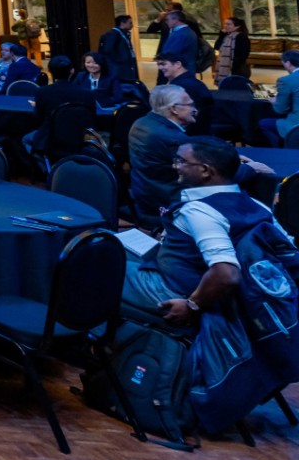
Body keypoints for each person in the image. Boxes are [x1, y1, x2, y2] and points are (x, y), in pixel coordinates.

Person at [121, 140, 289, 332]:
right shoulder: (258, 206)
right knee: (121, 249)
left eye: (182, 161)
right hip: (216, 286)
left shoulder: (199, 212)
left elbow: (226, 274)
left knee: (98, 261)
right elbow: (287, 248)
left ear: (205, 171)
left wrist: (192, 305)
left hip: (177, 290)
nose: (175, 166)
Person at [127, 85, 197, 228]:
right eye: (190, 104)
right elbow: (201, 174)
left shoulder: (142, 123)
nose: (194, 109)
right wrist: (249, 169)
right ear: (174, 109)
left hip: (144, 194)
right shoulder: (172, 138)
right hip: (167, 201)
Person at [156, 51, 214, 133]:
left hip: (190, 135)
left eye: (163, 64)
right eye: (158, 65)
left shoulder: (182, 87)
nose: (160, 68)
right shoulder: (191, 83)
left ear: (178, 64)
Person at [155, 9, 199, 84]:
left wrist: (161, 58)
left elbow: (171, 53)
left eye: (167, 20)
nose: (166, 22)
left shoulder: (182, 34)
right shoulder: (185, 32)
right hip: (183, 69)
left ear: (175, 20)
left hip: (182, 71)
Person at [265, 49, 299, 146]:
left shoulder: (286, 80)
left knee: (264, 123)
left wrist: (274, 101)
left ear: (288, 63)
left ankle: (279, 150)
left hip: (295, 125)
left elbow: (280, 110)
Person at [99, 12, 139, 81]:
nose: (132, 25)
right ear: (122, 23)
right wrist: (120, 60)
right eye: (130, 23)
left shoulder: (124, 33)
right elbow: (107, 50)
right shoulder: (113, 34)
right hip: (119, 67)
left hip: (126, 64)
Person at [213, 15, 250, 83]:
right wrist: (221, 35)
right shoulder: (226, 36)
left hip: (237, 69)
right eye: (225, 24)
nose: (225, 26)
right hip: (224, 67)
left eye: (229, 24)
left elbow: (243, 54)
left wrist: (234, 65)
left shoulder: (241, 37)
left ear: (237, 26)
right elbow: (217, 47)